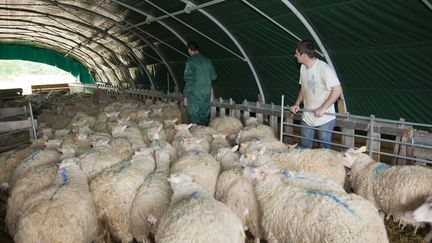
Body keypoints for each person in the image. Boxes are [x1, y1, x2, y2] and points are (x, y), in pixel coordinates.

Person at [289, 40, 342, 149]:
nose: (295, 56)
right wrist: (297, 103)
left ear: (303, 55)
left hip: (325, 117)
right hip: (308, 115)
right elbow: (304, 88)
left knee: (324, 149)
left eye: (297, 54)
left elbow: (337, 90)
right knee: (305, 146)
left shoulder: (324, 68)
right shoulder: (303, 68)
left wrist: (323, 108)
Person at [183, 41, 217, 126]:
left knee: (193, 116)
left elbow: (188, 80)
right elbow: (214, 76)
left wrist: (185, 96)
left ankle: (196, 135)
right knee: (204, 116)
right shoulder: (207, 61)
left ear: (190, 50)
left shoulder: (190, 61)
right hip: (206, 93)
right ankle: (203, 135)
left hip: (194, 94)